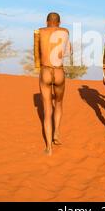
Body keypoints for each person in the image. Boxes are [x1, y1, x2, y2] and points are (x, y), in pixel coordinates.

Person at [35, 12, 71, 155]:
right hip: (59, 72)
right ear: (59, 22)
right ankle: (56, 132)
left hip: (45, 71)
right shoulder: (65, 32)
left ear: (47, 21)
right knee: (59, 103)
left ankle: (49, 148)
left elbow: (37, 54)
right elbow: (68, 52)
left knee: (47, 110)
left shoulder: (39, 32)